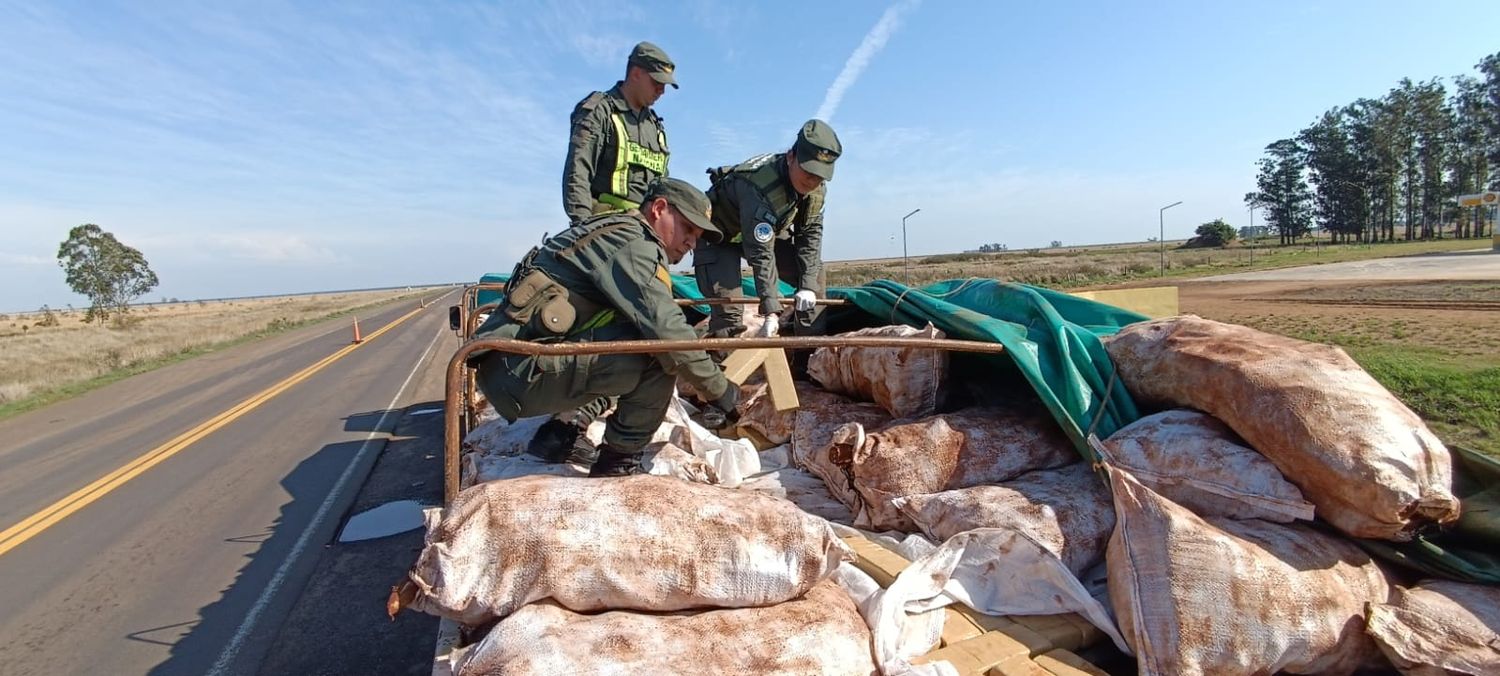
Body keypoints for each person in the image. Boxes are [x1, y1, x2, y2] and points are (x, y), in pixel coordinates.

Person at [470, 178, 739, 477]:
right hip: (517, 372)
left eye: (698, 236)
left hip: (513, 364)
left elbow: (654, 320)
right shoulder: (634, 245)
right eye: (688, 228)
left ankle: (560, 434)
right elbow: (668, 333)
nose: (692, 243)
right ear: (659, 209)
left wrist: (701, 349)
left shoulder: (619, 231)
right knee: (657, 357)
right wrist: (721, 392)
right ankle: (618, 463)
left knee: (639, 340)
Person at [695, 119, 842, 341]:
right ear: (791, 157)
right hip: (720, 237)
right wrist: (771, 310)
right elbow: (761, 253)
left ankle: (807, 361)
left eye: (819, 176)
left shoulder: (816, 191)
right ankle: (721, 371)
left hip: (762, 234)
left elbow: (810, 237)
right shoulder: (760, 186)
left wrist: (808, 288)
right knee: (729, 313)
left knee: (813, 276)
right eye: (808, 171)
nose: (812, 181)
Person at [562, 41, 676, 225]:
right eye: (657, 82)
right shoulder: (599, 111)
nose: (661, 91)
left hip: (645, 230)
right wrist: (582, 227)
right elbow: (578, 172)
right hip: (605, 226)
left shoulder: (655, 127)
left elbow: (662, 188)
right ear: (636, 73)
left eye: (665, 85)